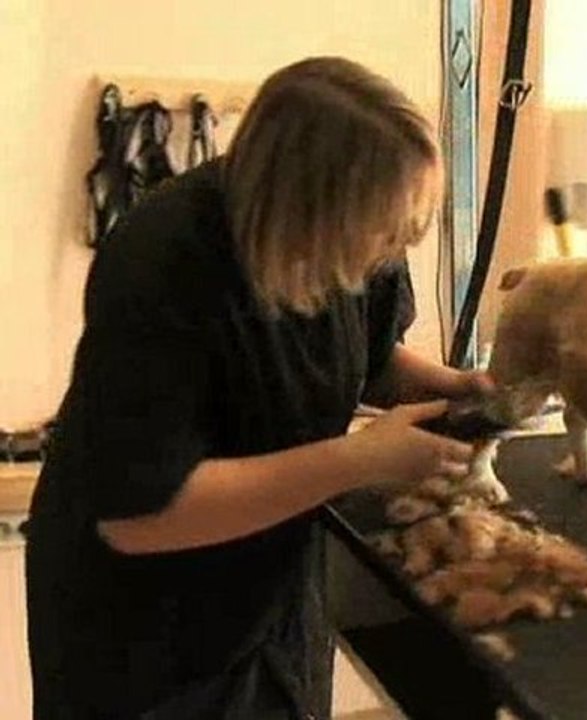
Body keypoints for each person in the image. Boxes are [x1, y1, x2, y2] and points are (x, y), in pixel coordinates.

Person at [26, 57, 490, 719]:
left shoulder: (362, 236)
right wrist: (358, 461)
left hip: (272, 575)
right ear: (308, 206)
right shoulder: (163, 261)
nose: (396, 247)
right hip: (143, 618)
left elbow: (371, 359)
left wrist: (460, 391)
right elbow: (142, 517)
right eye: (385, 229)